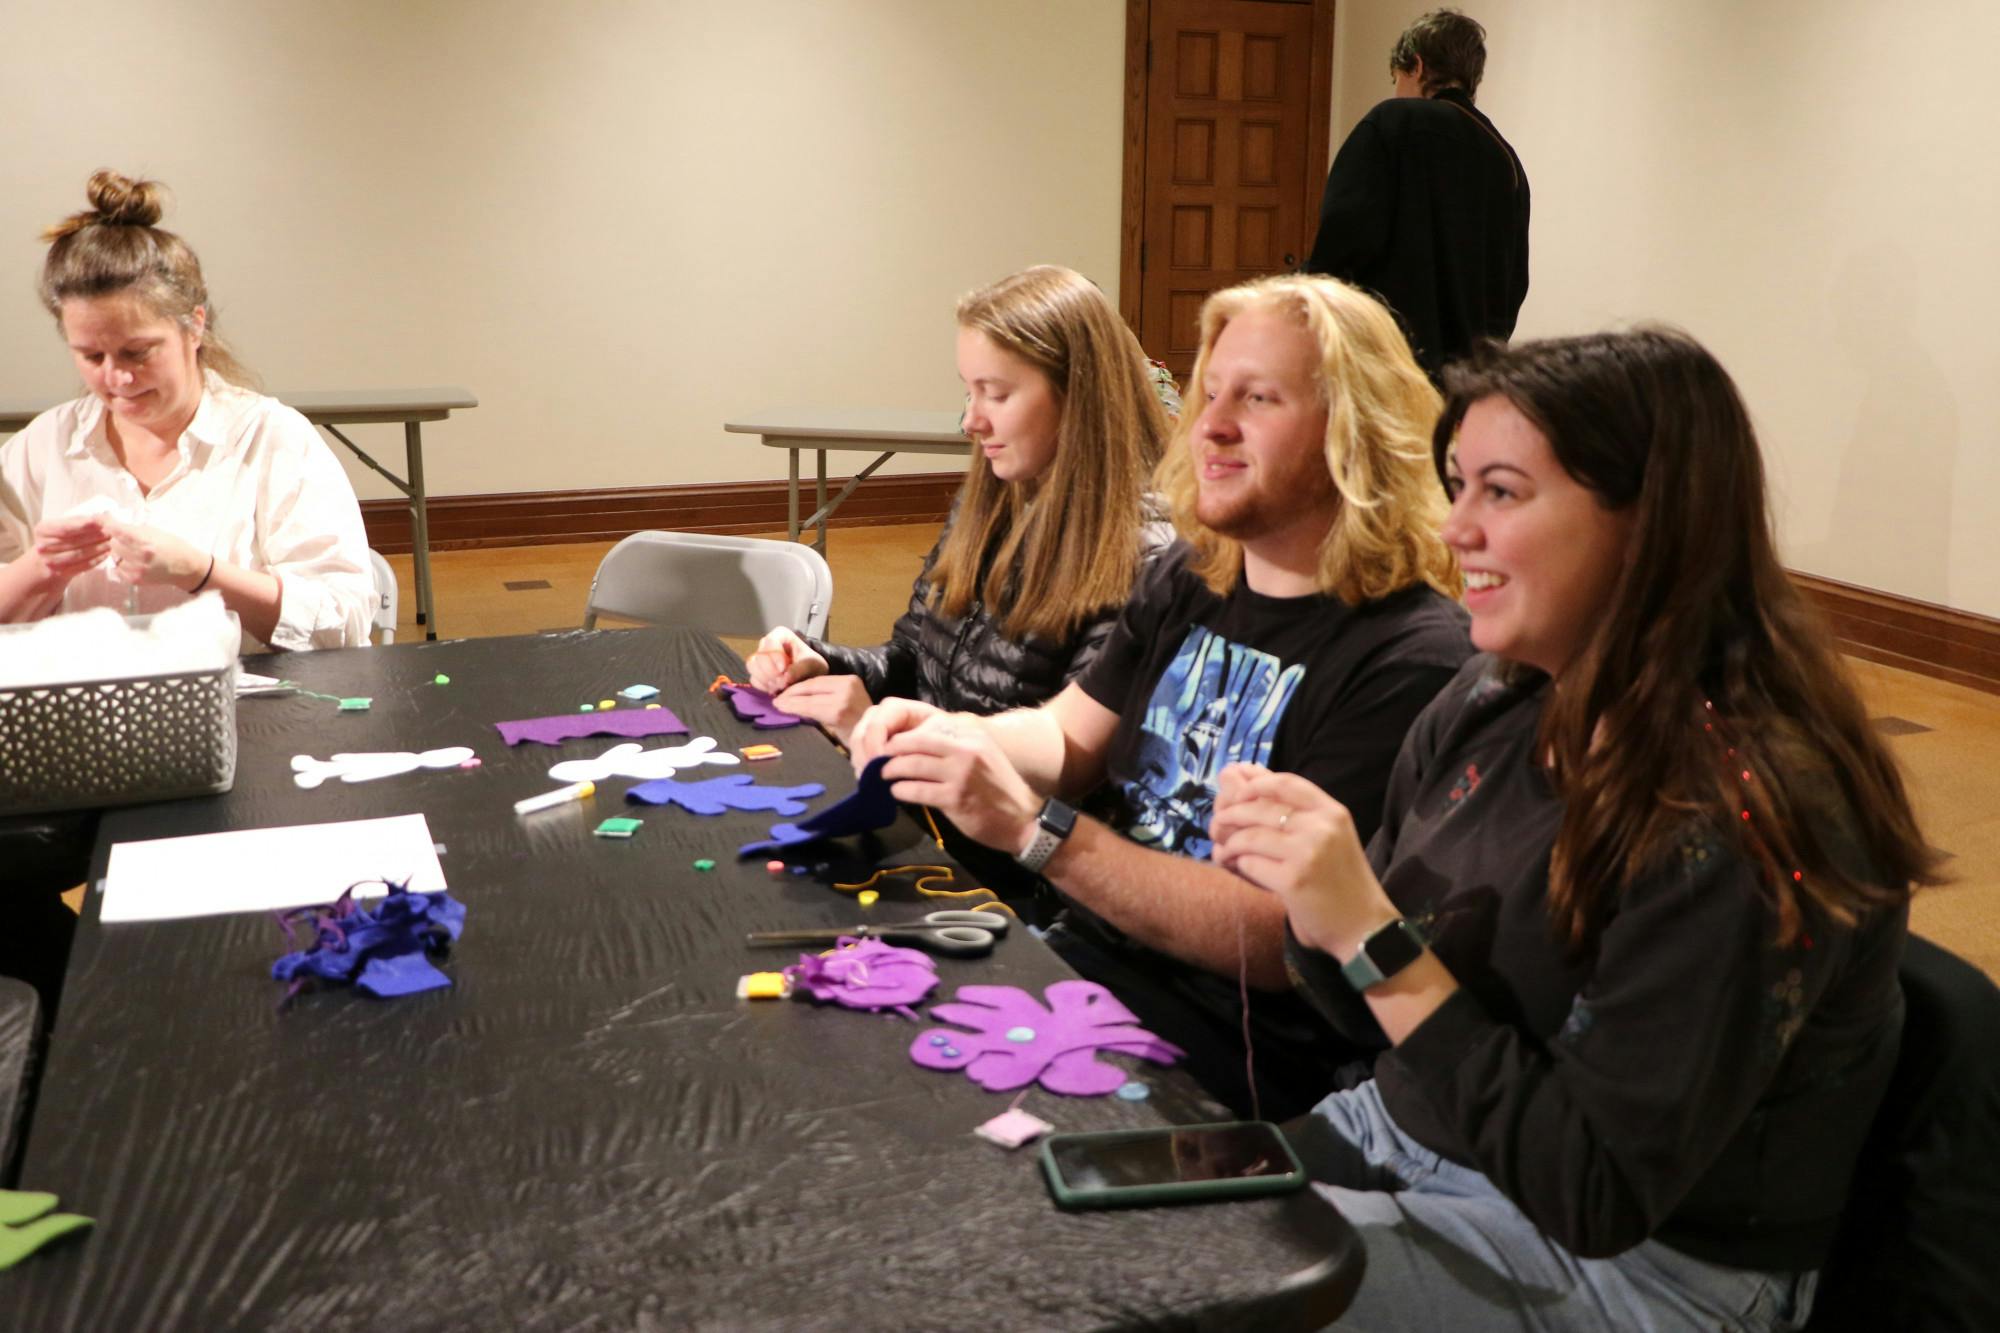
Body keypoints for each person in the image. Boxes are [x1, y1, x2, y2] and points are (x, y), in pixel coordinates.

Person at [1210, 329, 1939, 1329]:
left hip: (1637, 1264)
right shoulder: (1491, 695)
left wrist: (1371, 938)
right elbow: (1362, 1014)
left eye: (1499, 493)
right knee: (1084, 1226)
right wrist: (1314, 898)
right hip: (1415, 1135)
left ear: (1648, 524)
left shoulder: (1746, 811)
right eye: (1455, 484)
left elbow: (1591, 1192)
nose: (1453, 526)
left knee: (1170, 1287)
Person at [850, 275, 1472, 1119]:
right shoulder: (1194, 574)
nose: (1209, 424)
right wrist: (957, 734)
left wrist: (1039, 839)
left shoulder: (1410, 656)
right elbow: (1068, 740)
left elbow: (1281, 938)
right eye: (1211, 391)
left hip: (1227, 1059)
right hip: (1081, 968)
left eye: (1257, 398)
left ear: (1355, 433)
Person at [746, 265, 1174, 744]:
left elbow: (1072, 776)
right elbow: (912, 662)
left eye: (995, 394)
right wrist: (821, 662)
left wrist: (877, 734)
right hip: (924, 795)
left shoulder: (1145, 559)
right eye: (968, 392)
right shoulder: (984, 504)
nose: (971, 420)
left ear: (1080, 395)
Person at [0, 171, 373, 649]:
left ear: (194, 327)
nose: (116, 378)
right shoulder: (43, 445)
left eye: (138, 352)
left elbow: (344, 623)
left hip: (248, 714)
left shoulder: (272, 439)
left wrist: (202, 573)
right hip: (87, 710)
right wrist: (42, 570)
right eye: (92, 356)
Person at [1303, 8, 1529, 382]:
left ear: (1418, 66)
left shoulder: (1393, 124)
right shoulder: (1504, 158)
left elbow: (1341, 240)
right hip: (1467, 377)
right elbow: (1513, 281)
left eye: (1397, 78)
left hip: (1384, 364)